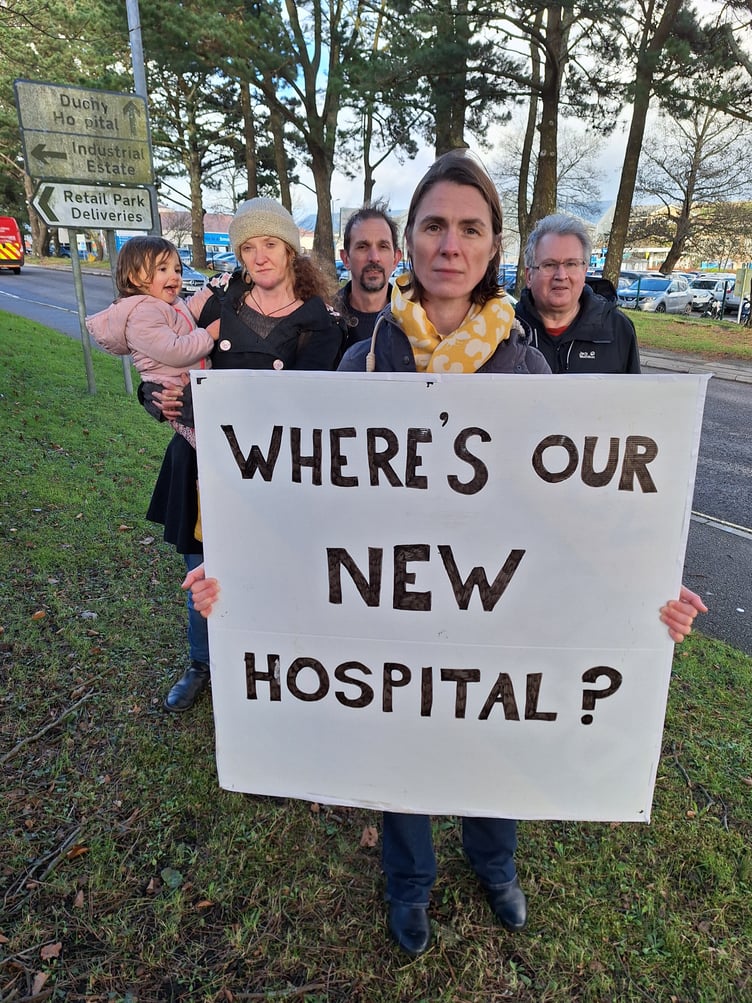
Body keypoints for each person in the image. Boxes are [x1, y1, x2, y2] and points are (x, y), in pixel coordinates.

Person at [182, 153, 706, 958]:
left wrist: (644, 588)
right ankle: (409, 882)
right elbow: (310, 500)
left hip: (498, 607)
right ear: (410, 243)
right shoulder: (363, 362)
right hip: (393, 599)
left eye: (470, 228)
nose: (449, 244)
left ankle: (495, 863)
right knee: (401, 731)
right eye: (433, 225)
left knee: (495, 724)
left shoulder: (526, 364)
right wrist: (240, 578)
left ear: (494, 248)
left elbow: (579, 510)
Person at [143, 197, 347, 714]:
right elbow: (164, 352)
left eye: (271, 245)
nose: (260, 258)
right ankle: (201, 661)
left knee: (273, 563)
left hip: (275, 468)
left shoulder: (320, 321)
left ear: (290, 251)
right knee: (202, 567)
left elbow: (302, 405)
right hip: (202, 460)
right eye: (248, 247)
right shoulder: (215, 301)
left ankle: (272, 662)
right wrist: (154, 395)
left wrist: (212, 402)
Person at [86, 236, 219, 446]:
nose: (174, 276)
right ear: (135, 278)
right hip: (175, 396)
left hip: (190, 390)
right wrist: (209, 334)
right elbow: (174, 351)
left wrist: (212, 290)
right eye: (162, 269)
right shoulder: (141, 314)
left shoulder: (166, 304)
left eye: (177, 269)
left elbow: (189, 311)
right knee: (211, 449)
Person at [515, 214, 640, 374]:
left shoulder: (618, 330)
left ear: (584, 271)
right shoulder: (504, 331)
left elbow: (631, 397)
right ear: (529, 276)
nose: (561, 275)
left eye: (571, 264)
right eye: (549, 265)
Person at [334, 203, 402, 350]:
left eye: (383, 246)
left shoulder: (415, 322)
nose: (374, 257)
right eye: (362, 247)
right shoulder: (323, 320)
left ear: (396, 259)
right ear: (346, 258)